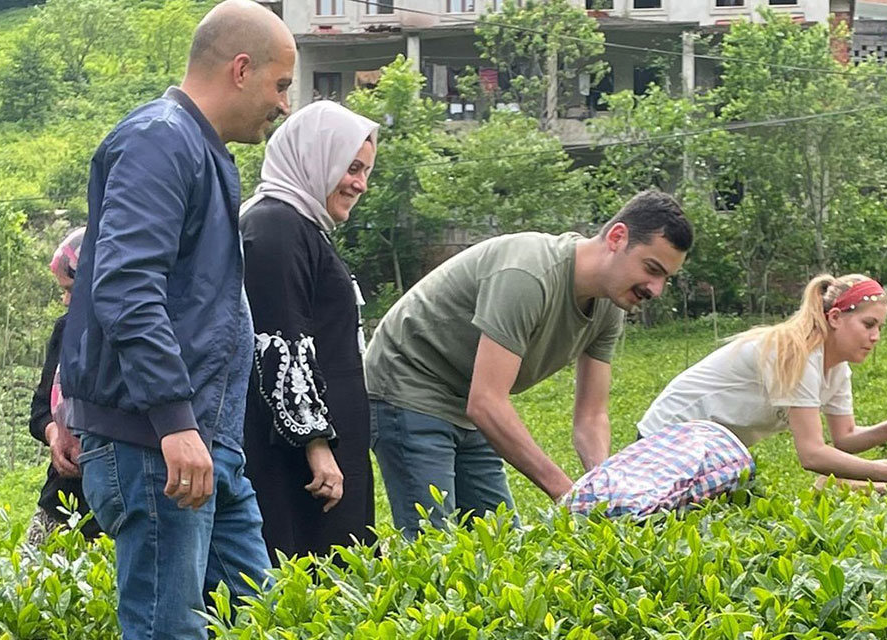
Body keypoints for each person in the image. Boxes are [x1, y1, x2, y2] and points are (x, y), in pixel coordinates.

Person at [57, 1, 294, 637]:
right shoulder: (161, 139)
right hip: (159, 444)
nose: (284, 105)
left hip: (203, 443)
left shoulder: (196, 147)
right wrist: (173, 420)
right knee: (170, 630)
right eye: (281, 85)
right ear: (241, 69)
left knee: (263, 618)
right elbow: (127, 285)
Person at [365, 190, 694, 537]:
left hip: (466, 397)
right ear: (617, 237)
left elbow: (591, 417)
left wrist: (603, 492)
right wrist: (567, 494)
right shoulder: (528, 274)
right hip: (409, 382)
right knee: (432, 545)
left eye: (665, 278)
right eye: (651, 269)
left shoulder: (609, 306)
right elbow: (487, 402)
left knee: (500, 540)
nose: (656, 289)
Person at [239, 101, 378, 563]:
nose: (359, 183)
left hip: (326, 457)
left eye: (365, 171)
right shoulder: (274, 227)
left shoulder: (301, 226)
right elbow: (281, 346)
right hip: (302, 468)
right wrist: (316, 447)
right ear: (317, 157)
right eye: (351, 167)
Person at [635, 274, 887, 487]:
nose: (876, 337)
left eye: (880, 327)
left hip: (714, 459)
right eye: (868, 325)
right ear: (836, 317)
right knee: (838, 483)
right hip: (664, 447)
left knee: (838, 483)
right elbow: (812, 455)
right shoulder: (795, 353)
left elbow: (845, 438)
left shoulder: (836, 366)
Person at [26, 227, 101, 546]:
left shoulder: (132, 335)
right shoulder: (66, 329)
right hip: (61, 499)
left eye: (71, 288)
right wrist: (55, 434)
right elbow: (40, 410)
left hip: (112, 506)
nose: (65, 299)